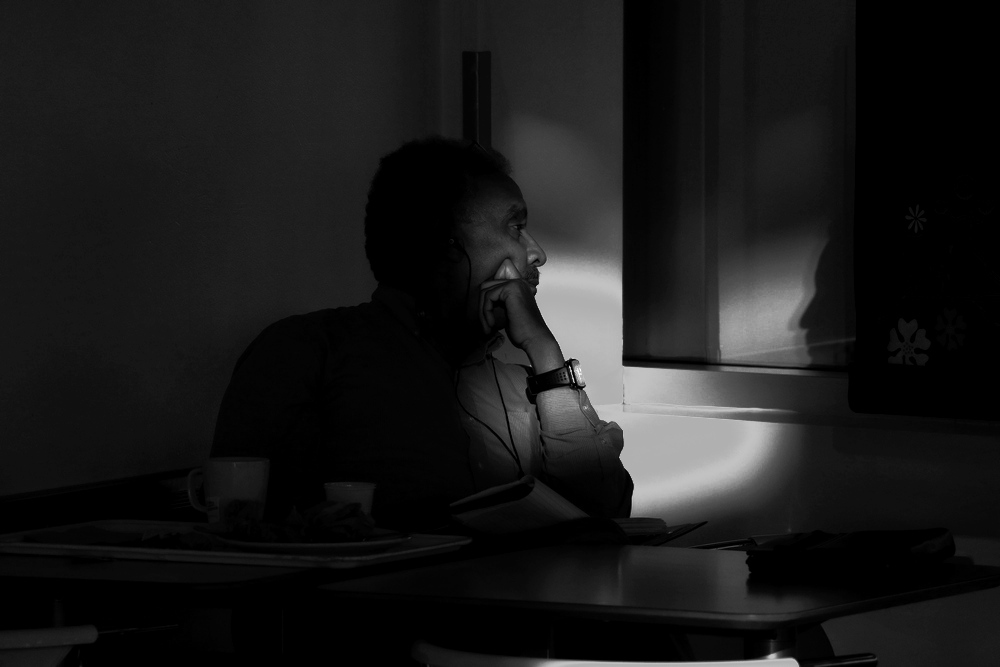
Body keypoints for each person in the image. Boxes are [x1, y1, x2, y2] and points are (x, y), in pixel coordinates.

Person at [211, 136, 633, 533]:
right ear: (446, 242)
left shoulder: (528, 384)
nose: (537, 252)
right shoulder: (310, 351)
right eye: (514, 227)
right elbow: (244, 526)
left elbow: (607, 511)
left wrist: (545, 352)